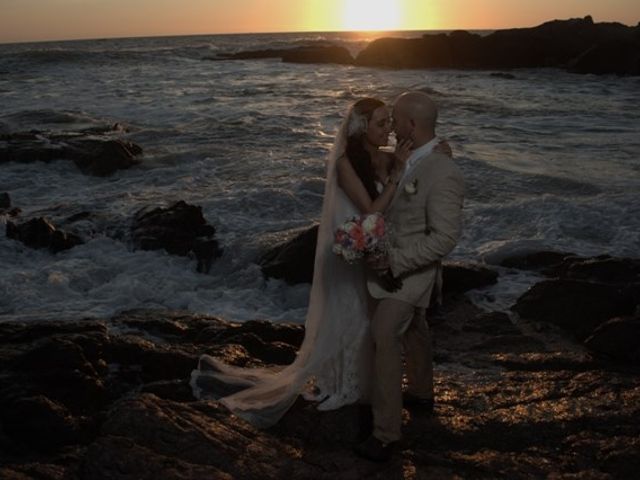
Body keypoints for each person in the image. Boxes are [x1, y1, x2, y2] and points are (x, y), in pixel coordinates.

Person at [190, 98, 410, 427]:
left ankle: (368, 383)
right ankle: (344, 384)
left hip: (374, 247)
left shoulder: (388, 157)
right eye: (381, 123)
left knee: (370, 317)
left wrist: (434, 153)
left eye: (389, 121)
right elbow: (371, 210)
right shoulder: (345, 163)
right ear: (362, 128)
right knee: (353, 316)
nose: (388, 128)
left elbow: (420, 164)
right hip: (352, 250)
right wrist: (398, 176)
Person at [354, 91, 465, 462]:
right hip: (396, 262)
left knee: (384, 334)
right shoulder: (407, 157)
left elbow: (445, 237)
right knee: (416, 325)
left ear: (412, 126)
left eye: (396, 120)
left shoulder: (443, 170)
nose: (392, 128)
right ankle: (421, 392)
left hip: (410, 269)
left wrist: (395, 262)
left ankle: (386, 434)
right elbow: (368, 152)